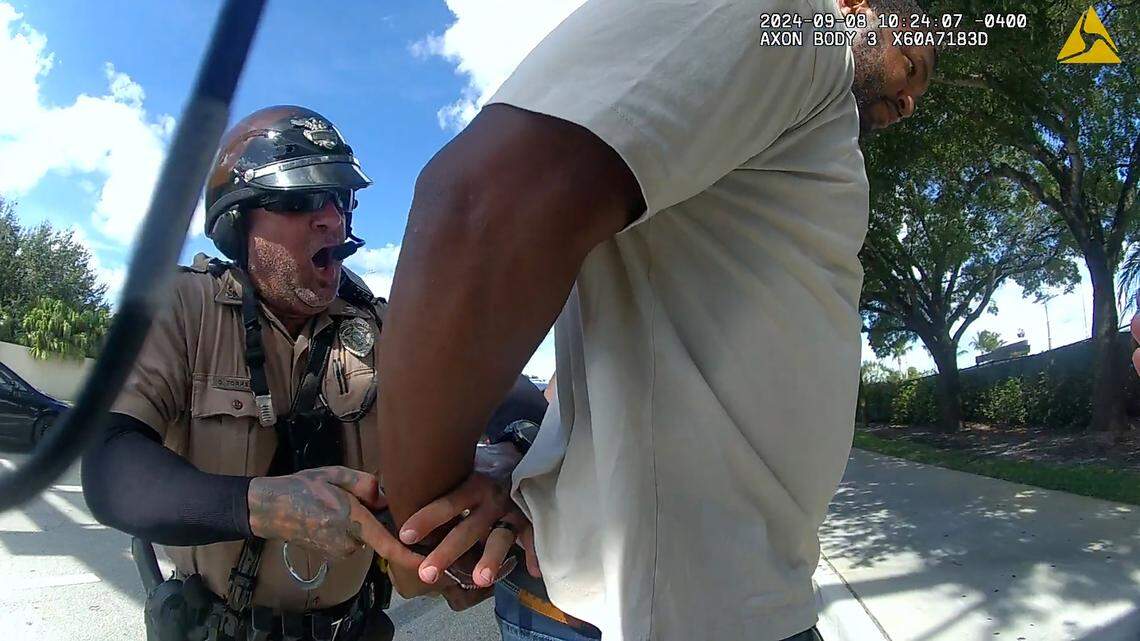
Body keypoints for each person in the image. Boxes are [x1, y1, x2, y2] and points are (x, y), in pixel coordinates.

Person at [370, 0, 937, 640]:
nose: (912, 102)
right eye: (911, 62)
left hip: (748, 597)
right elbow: (483, 206)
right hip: (651, 616)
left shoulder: (798, 110)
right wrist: (426, 529)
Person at [80, 105, 541, 641]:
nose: (332, 219)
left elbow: (516, 398)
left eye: (340, 200)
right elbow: (110, 465)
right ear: (239, 219)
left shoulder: (383, 325)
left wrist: (503, 466)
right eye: (299, 200)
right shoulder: (182, 309)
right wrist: (263, 505)